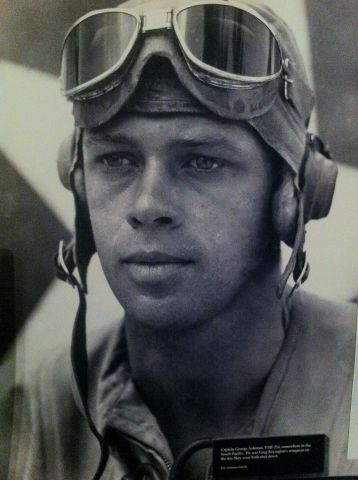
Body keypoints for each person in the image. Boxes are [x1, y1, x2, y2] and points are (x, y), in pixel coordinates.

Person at [3, 0, 358, 479]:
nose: (148, 205)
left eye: (202, 162)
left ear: (294, 194)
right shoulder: (36, 413)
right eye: (117, 161)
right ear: (80, 181)